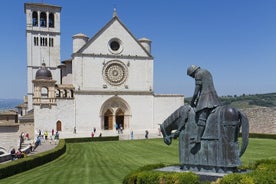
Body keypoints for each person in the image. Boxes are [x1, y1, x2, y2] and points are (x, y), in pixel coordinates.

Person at [187, 65, 221, 143]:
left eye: (192, 75)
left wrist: (192, 101)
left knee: (202, 116)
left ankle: (198, 138)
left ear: (193, 72)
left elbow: (196, 90)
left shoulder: (198, 74)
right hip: (214, 97)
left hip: (206, 98)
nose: (193, 77)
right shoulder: (207, 71)